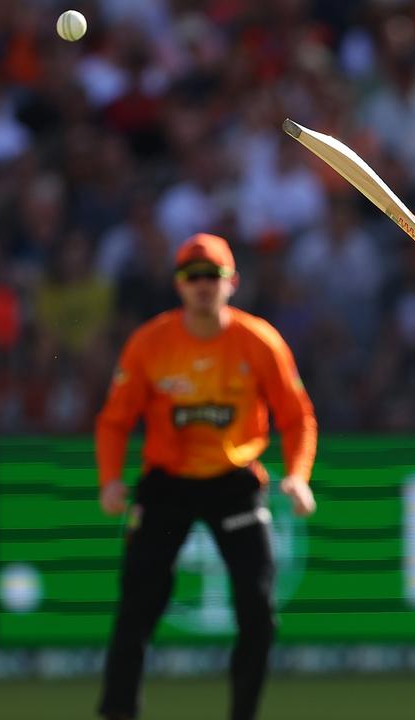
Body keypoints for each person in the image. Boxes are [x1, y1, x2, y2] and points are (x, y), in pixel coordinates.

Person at [94, 233, 319, 720]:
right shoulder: (150, 344)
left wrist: (298, 475)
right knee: (137, 608)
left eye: (211, 276)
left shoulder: (258, 341)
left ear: (231, 282)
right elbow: (115, 420)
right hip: (167, 483)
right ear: (177, 285)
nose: (201, 286)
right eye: (191, 276)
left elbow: (296, 416)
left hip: (233, 482)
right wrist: (111, 480)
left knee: (258, 611)